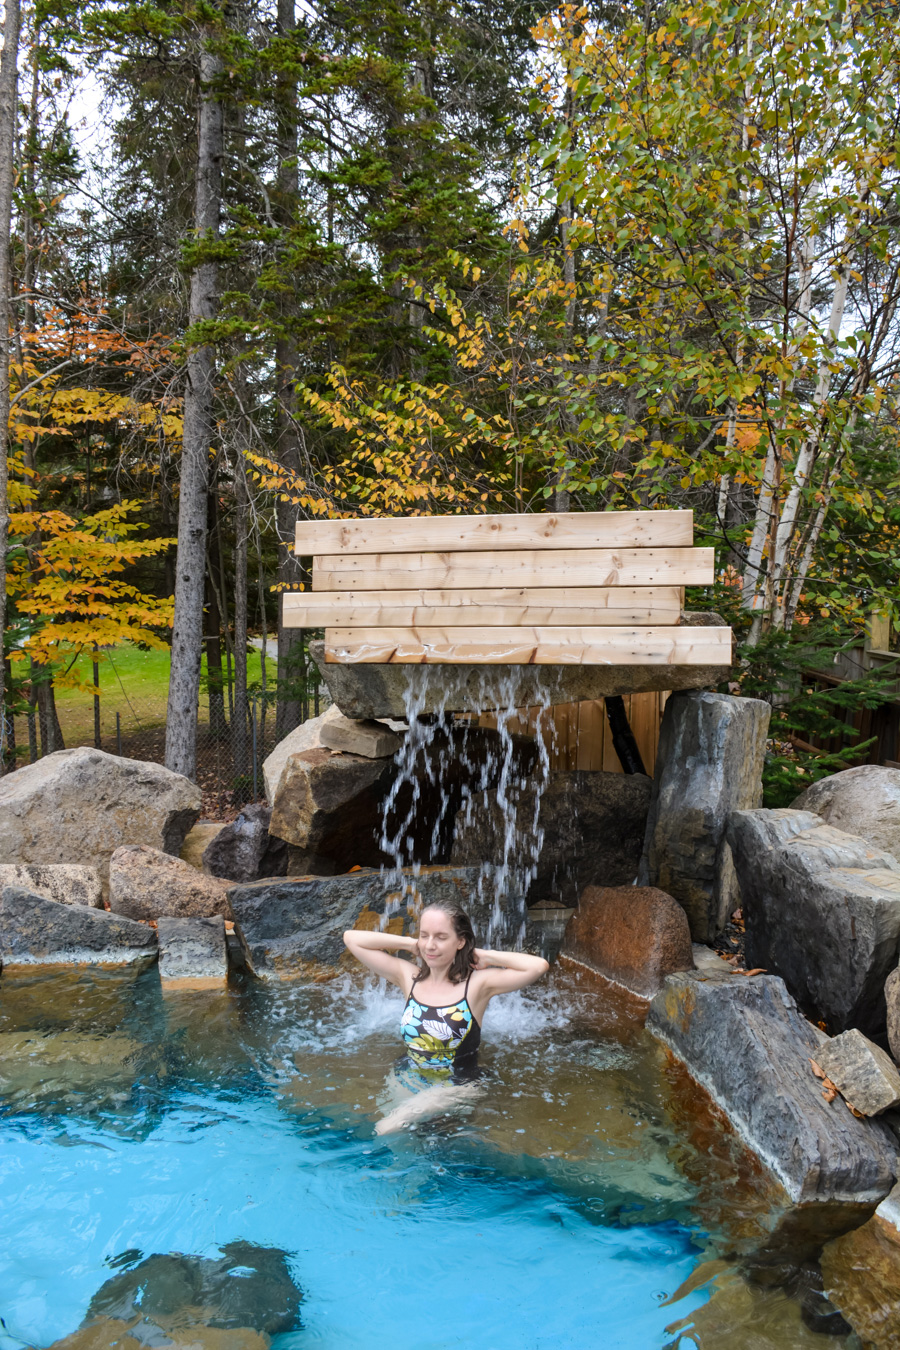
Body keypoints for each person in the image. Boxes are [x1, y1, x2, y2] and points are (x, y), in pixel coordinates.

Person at [343, 903, 549, 1134]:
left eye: (441, 937)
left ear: (460, 941)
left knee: (386, 1128)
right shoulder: (409, 978)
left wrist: (485, 956)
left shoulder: (477, 985)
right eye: (425, 935)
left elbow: (538, 966)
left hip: (458, 1084)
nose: (430, 945)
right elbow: (351, 938)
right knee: (403, 1145)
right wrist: (411, 944)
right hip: (408, 1074)